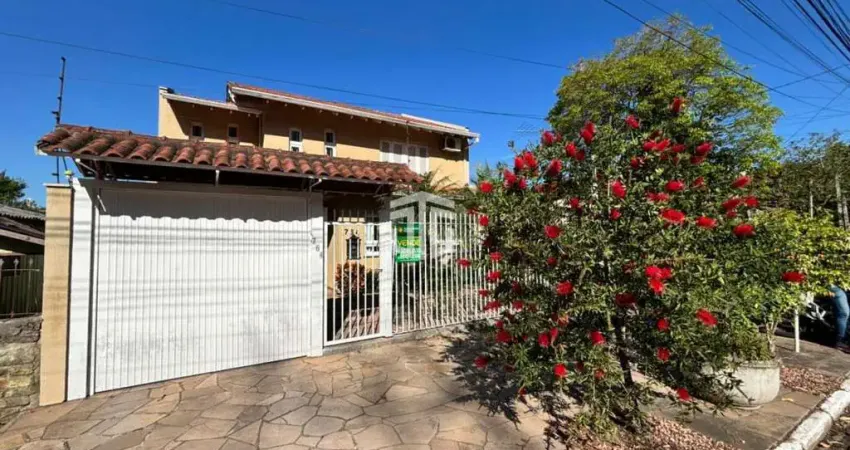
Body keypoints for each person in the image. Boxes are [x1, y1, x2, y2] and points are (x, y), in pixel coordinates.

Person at [828, 285, 850, 351]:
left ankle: (845, 339)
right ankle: (840, 341)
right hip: (833, 286)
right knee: (844, 313)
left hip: (842, 287)